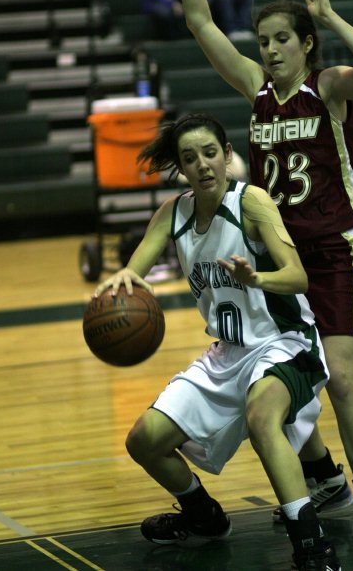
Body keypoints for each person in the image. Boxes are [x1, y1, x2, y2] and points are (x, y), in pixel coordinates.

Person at [161, 0, 353, 558]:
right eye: (263, 39)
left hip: (334, 250)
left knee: (345, 376)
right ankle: (325, 479)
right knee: (271, 370)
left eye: (280, 39)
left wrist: (327, 15)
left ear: (303, 45)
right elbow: (197, 20)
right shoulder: (254, 90)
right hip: (275, 254)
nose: (267, 50)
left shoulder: (327, 87)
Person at [94, 112, 340, 571]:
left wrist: (257, 276)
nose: (203, 164)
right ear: (182, 170)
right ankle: (204, 517)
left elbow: (298, 277)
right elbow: (134, 270)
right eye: (191, 158)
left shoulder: (253, 203)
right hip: (226, 354)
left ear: (227, 156)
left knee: (263, 420)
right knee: (143, 440)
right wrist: (123, 280)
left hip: (282, 342)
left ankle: (312, 545)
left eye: (211, 153)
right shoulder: (173, 214)